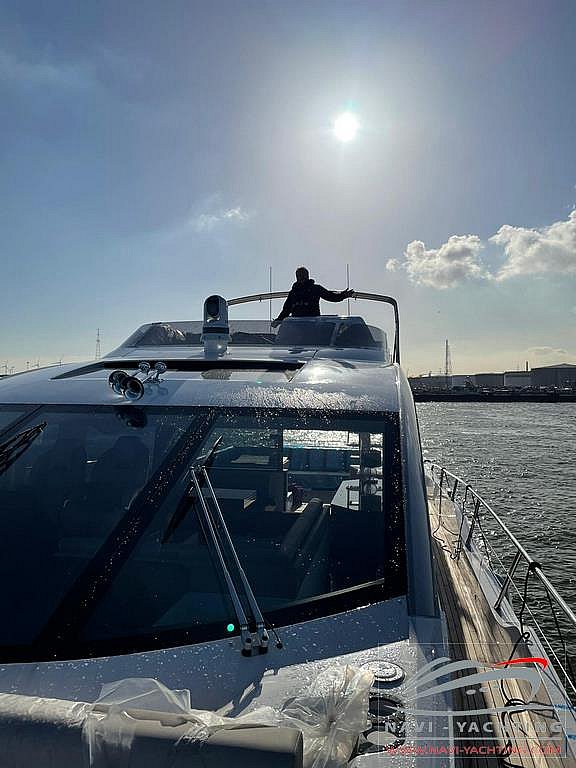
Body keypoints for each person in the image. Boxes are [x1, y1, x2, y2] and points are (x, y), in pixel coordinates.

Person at [271, 267, 354, 327]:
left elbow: (330, 296)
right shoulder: (293, 293)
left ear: (307, 276)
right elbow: (286, 310)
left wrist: (343, 295)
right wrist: (278, 320)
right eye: (299, 275)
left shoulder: (315, 289)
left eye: (303, 275)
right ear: (296, 277)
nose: (301, 277)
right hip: (296, 327)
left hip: (312, 326)